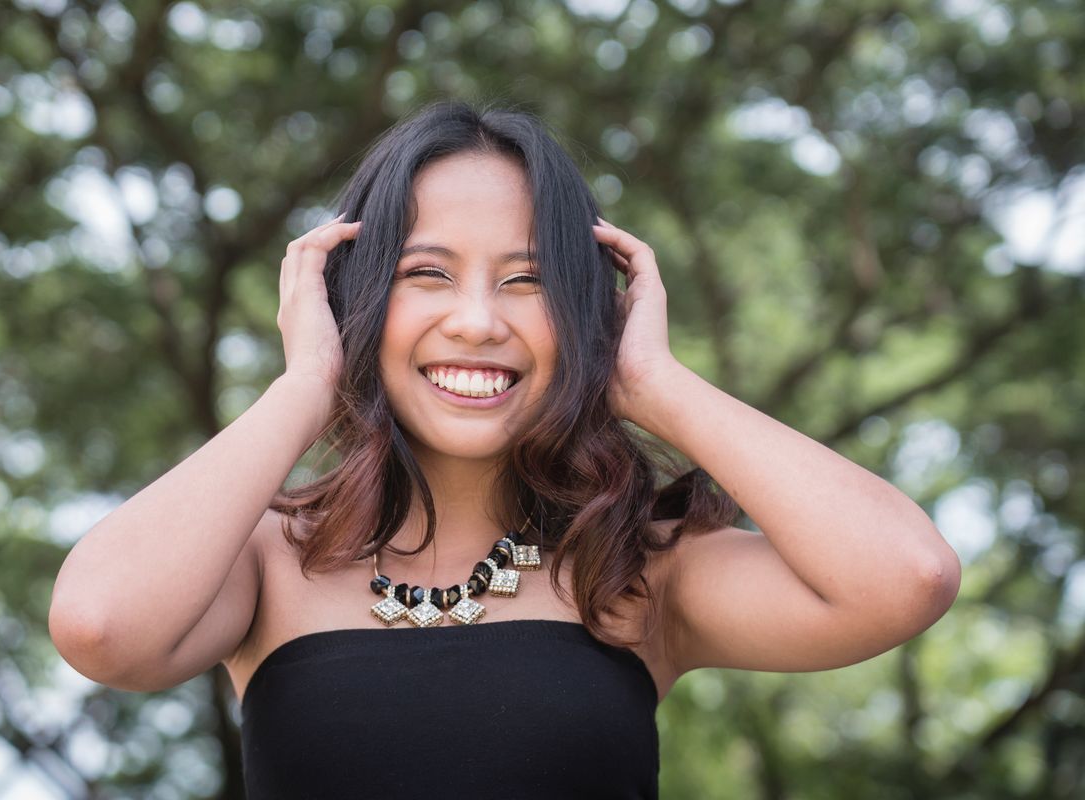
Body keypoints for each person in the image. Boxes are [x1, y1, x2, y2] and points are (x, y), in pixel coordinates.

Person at [48, 101, 961, 798]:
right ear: (351, 300)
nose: (478, 322)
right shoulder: (264, 559)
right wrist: (304, 387)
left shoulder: (634, 571)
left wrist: (654, 385)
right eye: (427, 274)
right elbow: (100, 628)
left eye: (527, 281)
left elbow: (907, 577)